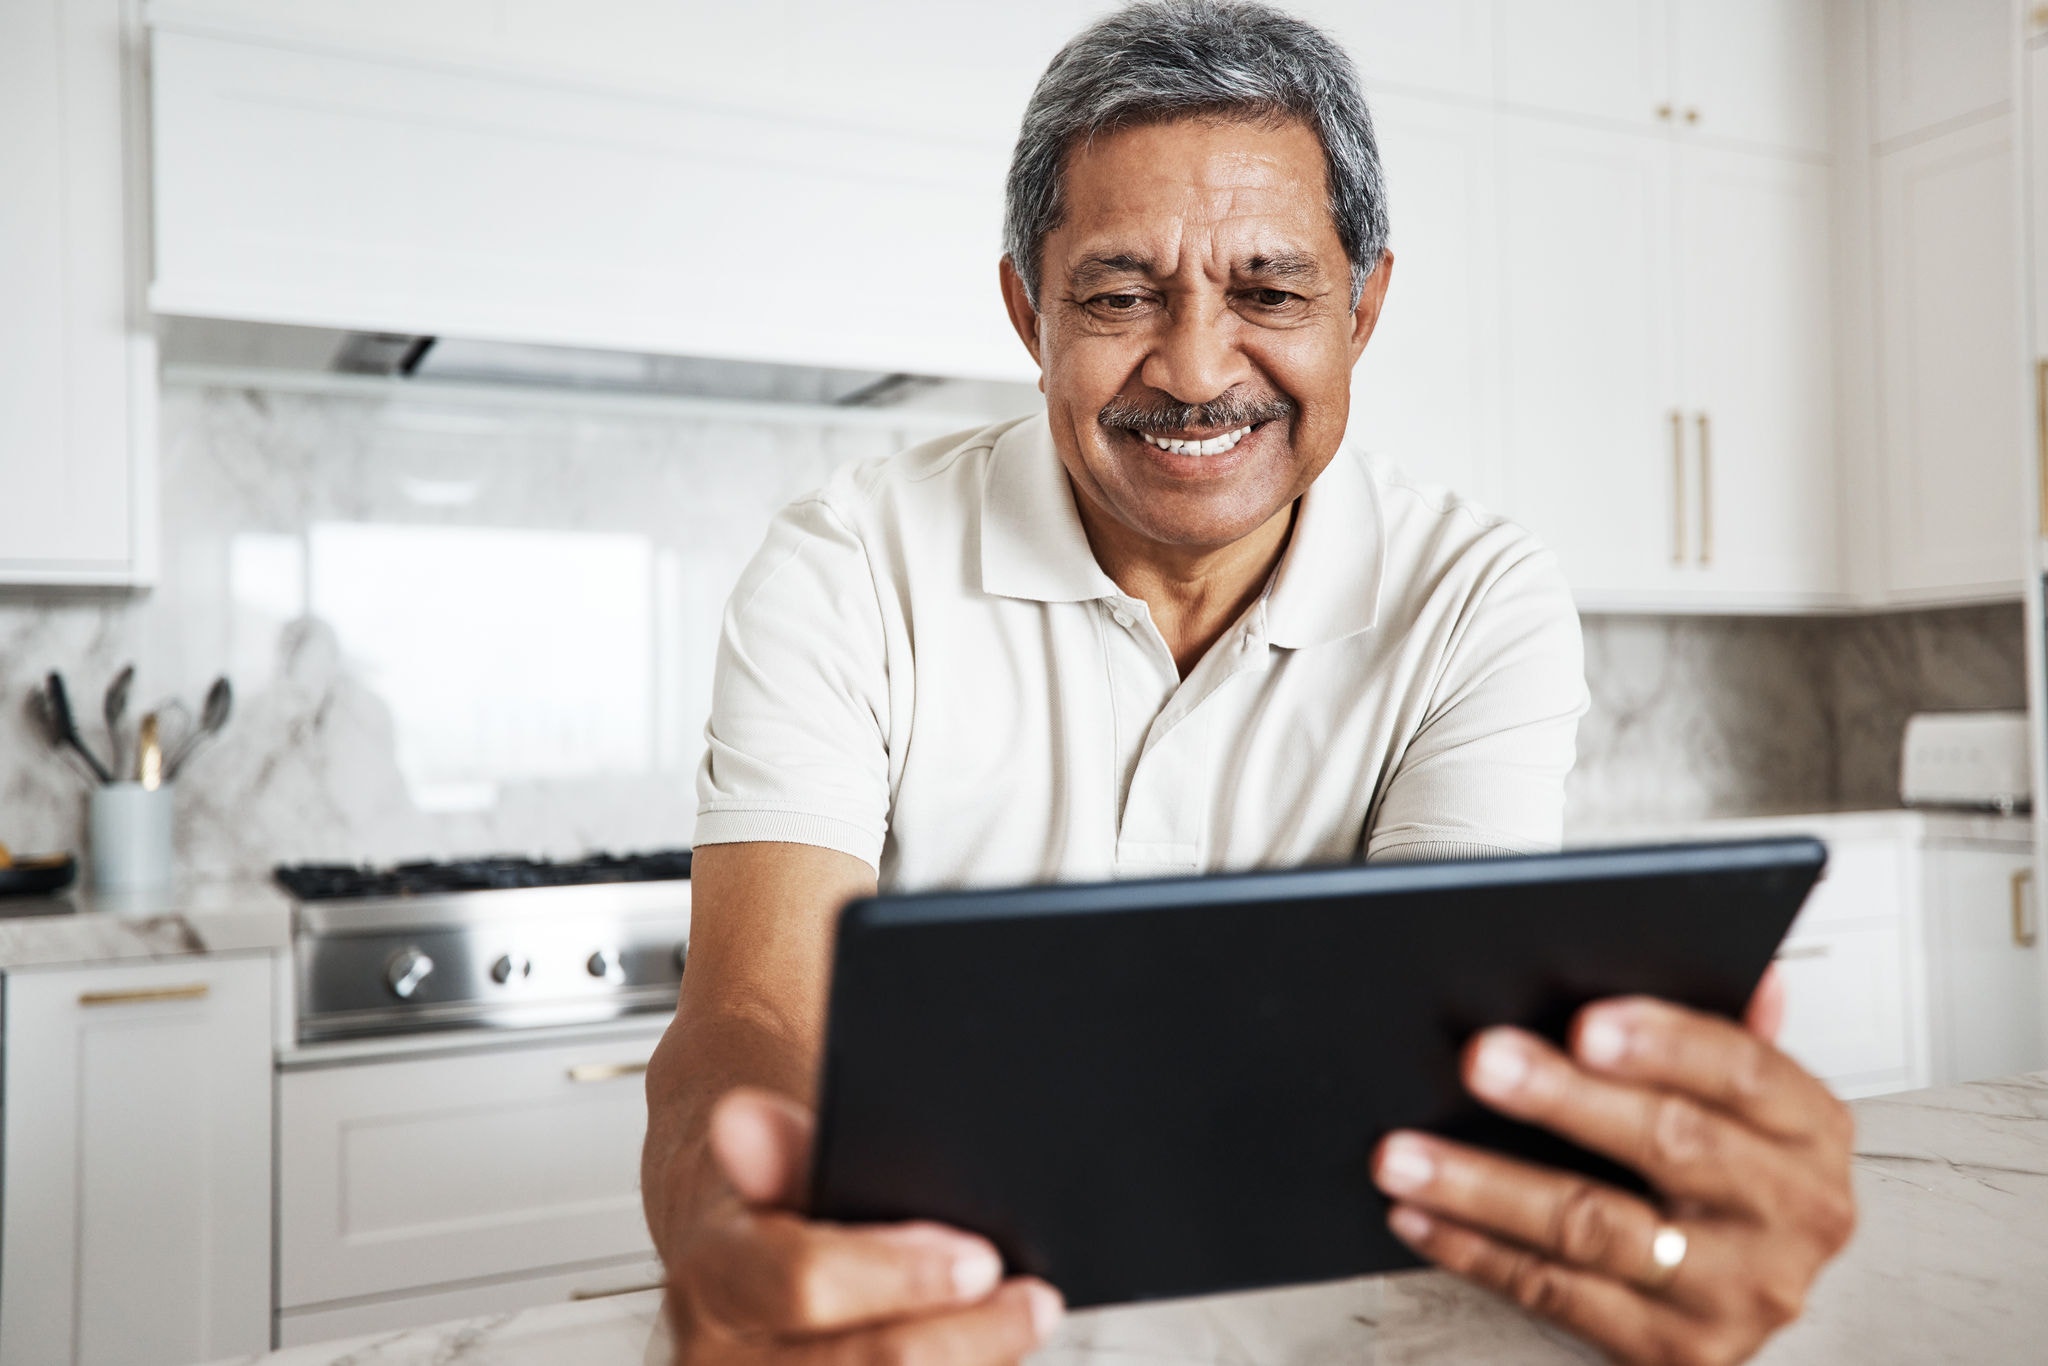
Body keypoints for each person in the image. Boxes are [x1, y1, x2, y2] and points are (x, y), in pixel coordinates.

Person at [640, 4, 1856, 1363]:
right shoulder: (850, 561)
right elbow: (747, 1016)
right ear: (1026, 310)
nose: (1199, 370)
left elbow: (1458, 1076)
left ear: (1365, 305)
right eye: (1117, 295)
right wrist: (720, 1221)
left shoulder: (1476, 595)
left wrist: (1644, 1197)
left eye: (1270, 293)